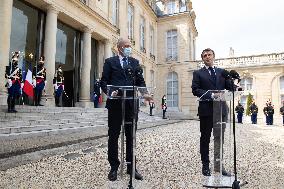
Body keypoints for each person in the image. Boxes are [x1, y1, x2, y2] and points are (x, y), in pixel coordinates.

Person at [100, 37, 152, 181]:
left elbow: (140, 81)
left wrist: (145, 94)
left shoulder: (135, 63)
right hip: (115, 104)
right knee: (114, 135)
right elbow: (104, 81)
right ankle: (114, 167)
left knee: (131, 136)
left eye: (130, 46)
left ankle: (131, 167)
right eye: (127, 46)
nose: (130, 48)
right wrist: (110, 92)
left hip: (130, 104)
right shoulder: (110, 62)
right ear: (120, 48)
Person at [191, 48, 233, 176]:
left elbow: (229, 87)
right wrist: (211, 96)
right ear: (203, 59)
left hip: (221, 110)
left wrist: (235, 81)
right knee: (205, 138)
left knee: (219, 138)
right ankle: (205, 165)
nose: (207, 57)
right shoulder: (198, 73)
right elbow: (195, 90)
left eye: (209, 55)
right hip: (206, 111)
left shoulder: (222, 72)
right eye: (205, 56)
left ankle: (218, 165)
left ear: (214, 56)